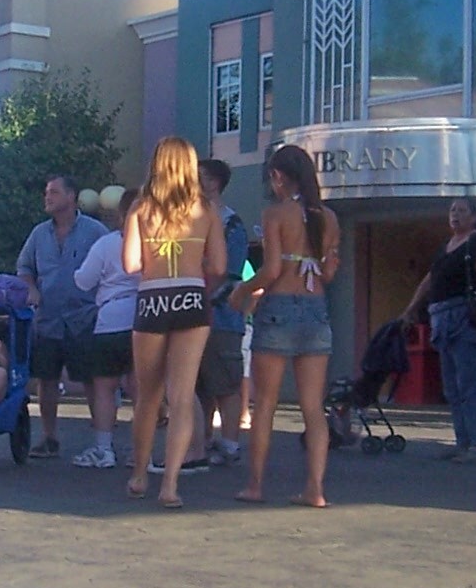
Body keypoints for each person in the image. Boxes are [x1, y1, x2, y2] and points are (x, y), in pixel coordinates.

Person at [233, 143, 340, 507]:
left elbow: (272, 270)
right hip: (315, 308)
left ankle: (255, 484)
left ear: (278, 176)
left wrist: (243, 290)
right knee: (313, 406)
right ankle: (316, 488)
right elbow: (327, 272)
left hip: (278, 306)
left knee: (265, 403)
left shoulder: (276, 215)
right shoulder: (329, 217)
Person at [124, 137, 227, 507]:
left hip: (153, 298)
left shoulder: (141, 208)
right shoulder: (206, 209)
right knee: (182, 396)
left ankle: (139, 474)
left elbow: (130, 265)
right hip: (191, 297)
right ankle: (170, 485)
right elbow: (218, 265)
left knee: (148, 395)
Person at [402, 200, 476, 464]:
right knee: (452, 387)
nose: (455, 215)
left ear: (474, 217)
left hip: (464, 319)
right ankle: (463, 442)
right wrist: (412, 307)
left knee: (469, 383)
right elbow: (430, 279)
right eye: (452, 211)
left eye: (462, 211)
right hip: (440, 319)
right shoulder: (445, 248)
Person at [16, 174, 109, 457]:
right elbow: (24, 266)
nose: (48, 197)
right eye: (47, 192)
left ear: (71, 196)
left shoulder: (95, 231)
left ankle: (100, 441)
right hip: (49, 318)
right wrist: (30, 288)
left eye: (54, 192)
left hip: (85, 317)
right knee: (46, 378)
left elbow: (113, 264)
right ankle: (49, 437)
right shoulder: (38, 233)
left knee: (93, 379)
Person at [69, 188, 137, 468]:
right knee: (142, 389)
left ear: (121, 214)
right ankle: (140, 451)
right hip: (146, 317)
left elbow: (83, 281)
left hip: (111, 319)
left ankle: (104, 448)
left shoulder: (107, 244)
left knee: (104, 387)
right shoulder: (158, 244)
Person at [193, 158, 252, 471]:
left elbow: (229, 273)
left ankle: (229, 444)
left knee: (226, 384)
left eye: (198, 176)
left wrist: (201, 298)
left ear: (214, 182)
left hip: (223, 317)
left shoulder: (231, 223)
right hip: (193, 315)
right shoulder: (192, 220)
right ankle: (201, 442)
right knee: (200, 386)